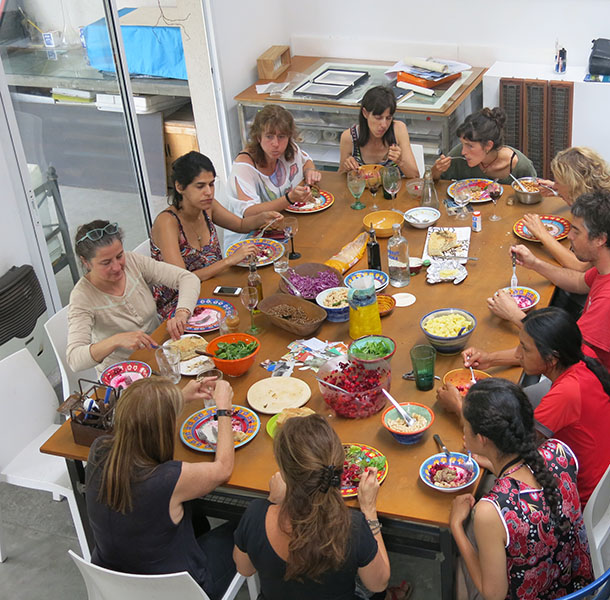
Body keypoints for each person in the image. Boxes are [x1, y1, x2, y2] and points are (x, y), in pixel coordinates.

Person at [439, 307, 610, 507]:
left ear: (551, 358)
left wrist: (459, 407)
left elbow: (509, 446)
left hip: (579, 493)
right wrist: (490, 359)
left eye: (525, 349)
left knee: (477, 487)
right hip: (599, 469)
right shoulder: (578, 354)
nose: (518, 354)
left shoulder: (565, 394)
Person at [85, 377, 237, 600]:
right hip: (181, 592)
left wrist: (176, 398)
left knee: (195, 515)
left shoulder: (98, 450)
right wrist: (224, 409)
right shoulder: (168, 479)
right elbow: (223, 468)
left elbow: (142, 418)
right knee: (247, 522)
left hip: (115, 587)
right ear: (163, 430)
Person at [449, 378, 593, 600]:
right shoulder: (559, 452)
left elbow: (494, 594)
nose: (464, 431)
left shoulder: (490, 511)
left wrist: (456, 526)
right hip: (574, 587)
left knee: (461, 559)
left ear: (482, 438)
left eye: (465, 426)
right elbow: (529, 484)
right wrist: (493, 464)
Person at [489, 189, 610, 385]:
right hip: (587, 360)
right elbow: (579, 282)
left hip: (593, 384)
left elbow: (562, 351)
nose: (569, 236)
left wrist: (514, 315)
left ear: (600, 239)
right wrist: (534, 263)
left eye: (576, 231)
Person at [233, 414, 391, 599]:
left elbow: (244, 569)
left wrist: (273, 500)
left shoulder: (256, 516)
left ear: (284, 472)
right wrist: (369, 511)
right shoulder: (352, 526)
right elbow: (378, 583)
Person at [506, 147, 610, 319]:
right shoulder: (608, 200)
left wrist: (543, 234)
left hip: (583, 303)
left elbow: (580, 268)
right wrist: (559, 191)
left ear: (574, 186)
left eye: (558, 181)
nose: (554, 184)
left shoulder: (601, 218)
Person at [150, 151, 282, 319]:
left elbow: (240, 225)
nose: (209, 192)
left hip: (215, 286)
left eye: (211, 184)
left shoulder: (207, 207)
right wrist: (229, 260)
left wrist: (262, 217)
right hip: (181, 307)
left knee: (264, 298)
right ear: (180, 187)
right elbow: (181, 280)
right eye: (200, 186)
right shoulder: (167, 222)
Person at [66, 220, 200, 374]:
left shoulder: (132, 262)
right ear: (86, 262)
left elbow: (187, 278)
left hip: (159, 355)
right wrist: (115, 340)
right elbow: (74, 359)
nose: (117, 267)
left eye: (119, 256)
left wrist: (182, 312)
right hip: (125, 374)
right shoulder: (82, 297)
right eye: (106, 263)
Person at [227, 106, 321, 247]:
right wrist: (289, 199)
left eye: (281, 136)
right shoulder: (244, 166)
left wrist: (310, 171)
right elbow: (249, 213)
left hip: (281, 227)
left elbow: (306, 161)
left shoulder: (289, 150)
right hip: (249, 239)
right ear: (258, 137)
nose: (276, 144)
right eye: (269, 136)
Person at [431, 107, 535, 184]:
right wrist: (436, 171)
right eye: (462, 144)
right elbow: (430, 183)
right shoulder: (458, 155)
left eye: (470, 146)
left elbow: (535, 194)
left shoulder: (520, 166)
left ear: (488, 145)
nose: (463, 152)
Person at [338, 86, 419, 178]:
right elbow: (340, 176)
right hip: (363, 187)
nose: (384, 125)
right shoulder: (349, 137)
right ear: (365, 113)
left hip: (394, 187)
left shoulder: (398, 129)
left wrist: (400, 162)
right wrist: (347, 168)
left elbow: (415, 176)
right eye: (378, 118)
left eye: (388, 118)